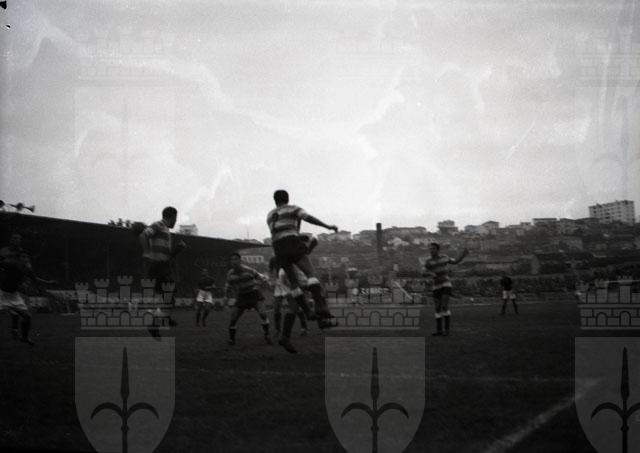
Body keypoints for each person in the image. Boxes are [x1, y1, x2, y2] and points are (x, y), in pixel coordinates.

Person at [266, 190, 338, 330]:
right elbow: (308, 218)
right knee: (311, 274)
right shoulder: (293, 208)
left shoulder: (270, 215)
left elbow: (283, 229)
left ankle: (307, 311)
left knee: (293, 283)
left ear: (275, 200)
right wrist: (327, 226)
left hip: (278, 248)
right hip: (291, 241)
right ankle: (320, 308)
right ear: (288, 198)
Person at [139, 206, 187, 338]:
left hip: (163, 267)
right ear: (172, 217)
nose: (176, 221)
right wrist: (146, 252)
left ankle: (160, 320)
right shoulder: (159, 225)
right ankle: (159, 320)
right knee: (170, 294)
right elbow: (144, 235)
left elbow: (167, 257)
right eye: (175, 218)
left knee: (170, 296)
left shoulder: (166, 231)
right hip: (157, 266)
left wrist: (178, 249)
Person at [0, 252, 54, 345]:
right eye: (23, 257)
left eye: (27, 257)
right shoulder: (10, 264)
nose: (25, 258)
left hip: (14, 295)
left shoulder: (27, 269)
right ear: (18, 259)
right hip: (2, 294)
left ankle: (24, 338)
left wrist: (49, 282)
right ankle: (15, 330)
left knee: (27, 316)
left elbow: (35, 279)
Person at [223, 253, 272, 346]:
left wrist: (261, 285)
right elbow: (228, 285)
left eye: (236, 259)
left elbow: (262, 278)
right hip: (241, 296)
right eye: (232, 259)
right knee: (233, 319)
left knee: (263, 314)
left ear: (240, 261)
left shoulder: (249, 270)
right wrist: (226, 296)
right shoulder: (230, 274)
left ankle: (267, 334)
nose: (234, 261)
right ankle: (231, 339)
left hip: (253, 294)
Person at [423, 243, 468, 336]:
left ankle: (446, 330)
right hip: (436, 286)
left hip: (445, 284)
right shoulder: (428, 261)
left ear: (438, 250)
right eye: (430, 249)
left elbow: (455, 261)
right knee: (437, 308)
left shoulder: (445, 257)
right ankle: (439, 330)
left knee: (444, 306)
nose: (431, 250)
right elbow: (423, 273)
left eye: (433, 248)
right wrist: (430, 273)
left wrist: (463, 255)